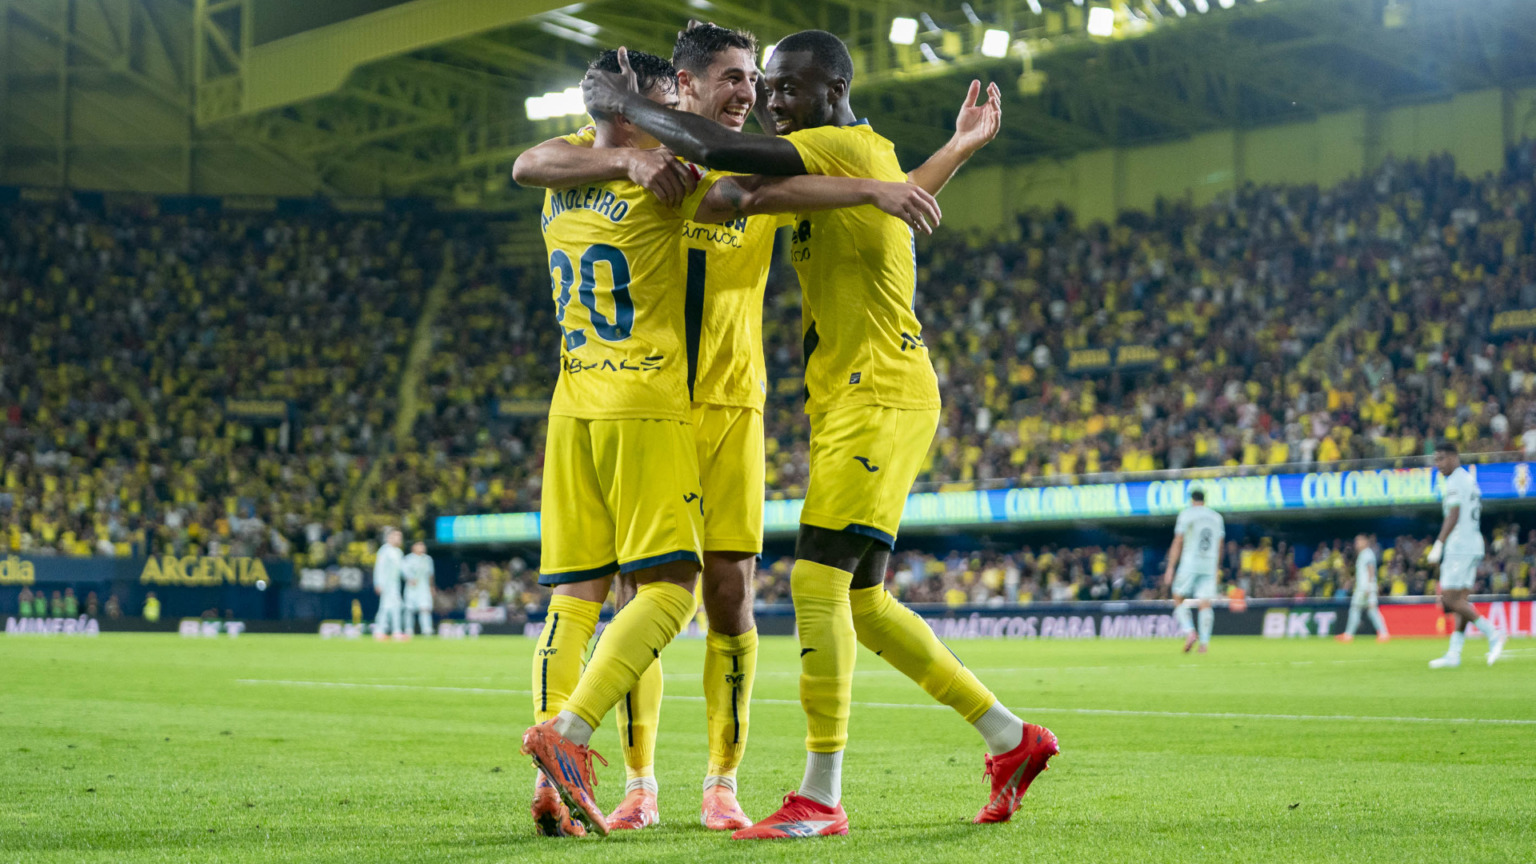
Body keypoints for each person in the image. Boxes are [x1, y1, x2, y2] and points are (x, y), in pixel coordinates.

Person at [581, 30, 1055, 841]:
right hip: (856, 399)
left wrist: (624, 106)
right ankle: (1012, 739)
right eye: (766, 88)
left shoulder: (833, 145)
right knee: (864, 603)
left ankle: (821, 797)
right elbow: (893, 196)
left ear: (833, 91)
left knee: (815, 583)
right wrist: (955, 150)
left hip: (878, 394)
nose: (772, 102)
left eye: (787, 88)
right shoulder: (854, 156)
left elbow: (714, 148)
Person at [515, 21, 957, 834]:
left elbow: (849, 194)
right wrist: (632, 153)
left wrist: (922, 167)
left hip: (729, 406)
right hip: (656, 405)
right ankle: (637, 781)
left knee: (728, 594)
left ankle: (721, 781)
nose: (749, 93)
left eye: (755, 80)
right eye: (733, 77)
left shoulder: (746, 160)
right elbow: (541, 160)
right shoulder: (668, 166)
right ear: (682, 87)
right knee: (645, 594)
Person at [1427, 443, 1506, 668]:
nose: (1438, 464)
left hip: (1459, 546)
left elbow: (1454, 513)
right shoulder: (1469, 479)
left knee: (1449, 600)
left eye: (1442, 458)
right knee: (1461, 600)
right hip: (1473, 544)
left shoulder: (1454, 480)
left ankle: (1493, 633)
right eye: (1436, 460)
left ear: (1454, 457)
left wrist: (1439, 544)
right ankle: (1454, 653)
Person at [1163, 489, 1225, 653]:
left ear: (1192, 500)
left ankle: (1190, 631)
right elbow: (1220, 544)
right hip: (1210, 563)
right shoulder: (1216, 517)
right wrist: (1217, 567)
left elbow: (1178, 540)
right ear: (1204, 500)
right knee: (1205, 602)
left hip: (1191, 561)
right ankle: (1204, 644)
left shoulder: (1187, 515)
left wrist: (1170, 567)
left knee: (1177, 595)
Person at [1338, 534, 1389, 642]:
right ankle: (1383, 634)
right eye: (1356, 542)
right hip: (1364, 587)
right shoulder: (1363, 554)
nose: (1356, 544)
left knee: (1359, 609)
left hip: (1365, 588)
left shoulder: (1367, 553)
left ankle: (1349, 635)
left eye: (1359, 541)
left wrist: (1369, 586)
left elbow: (1371, 570)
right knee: (1367, 610)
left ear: (1365, 542)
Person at [373, 528, 405, 640]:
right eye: (397, 536)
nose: (399, 539)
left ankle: (396, 631)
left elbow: (402, 569)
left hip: (395, 585)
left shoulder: (399, 552)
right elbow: (379, 568)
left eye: (400, 537)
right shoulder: (384, 551)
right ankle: (379, 631)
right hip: (385, 584)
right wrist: (378, 583)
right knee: (385, 607)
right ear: (390, 537)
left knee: (397, 607)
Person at [402, 541, 435, 637]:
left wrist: (431, 587)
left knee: (425, 609)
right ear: (413, 547)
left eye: (423, 545)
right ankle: (408, 629)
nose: (422, 547)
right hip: (411, 589)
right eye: (419, 545)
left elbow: (430, 575)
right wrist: (410, 578)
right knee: (409, 610)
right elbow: (404, 572)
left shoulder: (428, 559)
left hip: (424, 588)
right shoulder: (408, 559)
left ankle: (427, 629)